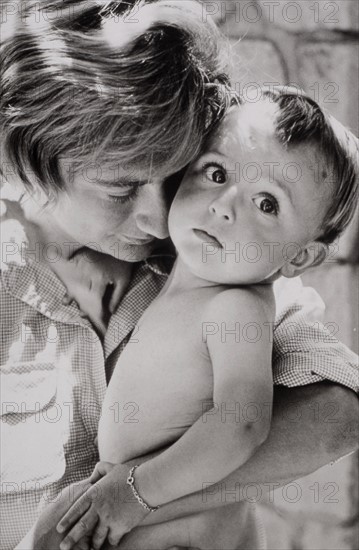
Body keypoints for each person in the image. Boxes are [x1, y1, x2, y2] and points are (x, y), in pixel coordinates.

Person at [0, 1, 358, 549]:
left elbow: (336, 415)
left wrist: (131, 501)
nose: (155, 218)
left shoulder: (221, 270)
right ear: (38, 157)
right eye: (121, 188)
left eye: (174, 176)